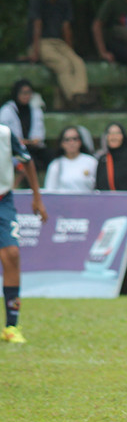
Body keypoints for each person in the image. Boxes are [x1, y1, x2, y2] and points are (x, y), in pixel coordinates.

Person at [1, 122, 48, 344]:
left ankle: (11, 326)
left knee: (12, 254)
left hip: (3, 201)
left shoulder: (5, 134)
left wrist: (37, 197)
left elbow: (26, 162)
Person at [27, 0, 91, 108]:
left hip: (59, 43)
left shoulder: (64, 1)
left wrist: (69, 50)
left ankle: (81, 95)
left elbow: (66, 28)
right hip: (41, 42)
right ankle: (74, 96)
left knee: (78, 62)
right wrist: (35, 51)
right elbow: (37, 25)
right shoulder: (37, 0)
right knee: (63, 64)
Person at [0, 80, 49, 173]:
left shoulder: (35, 110)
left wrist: (31, 142)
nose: (26, 96)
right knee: (24, 161)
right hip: (13, 150)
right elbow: (5, 135)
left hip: (33, 149)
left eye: (29, 92)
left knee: (48, 156)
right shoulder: (7, 110)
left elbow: (39, 136)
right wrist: (21, 142)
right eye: (23, 93)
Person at [44, 125, 97, 192]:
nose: (71, 142)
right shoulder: (55, 165)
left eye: (75, 139)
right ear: (62, 144)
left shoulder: (92, 162)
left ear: (80, 142)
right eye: (67, 140)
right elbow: (50, 191)